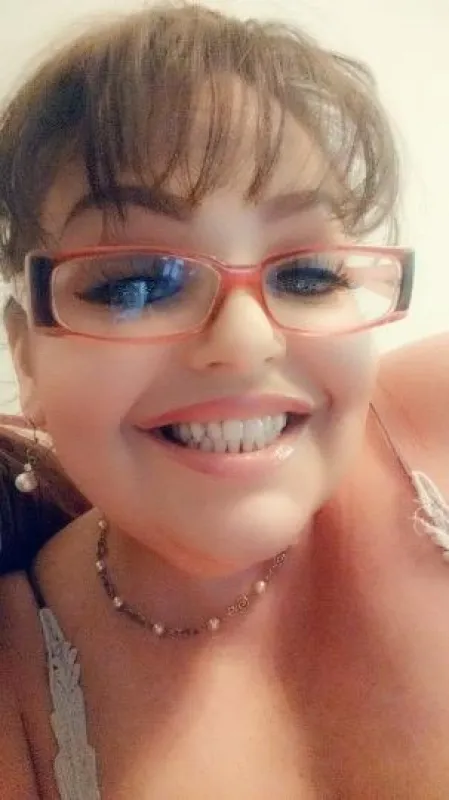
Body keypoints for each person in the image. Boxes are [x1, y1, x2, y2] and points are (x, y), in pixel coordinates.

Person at [0, 3, 448, 797]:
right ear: (25, 352)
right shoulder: (17, 674)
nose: (245, 339)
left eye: (308, 273)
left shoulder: (432, 415)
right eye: (135, 284)